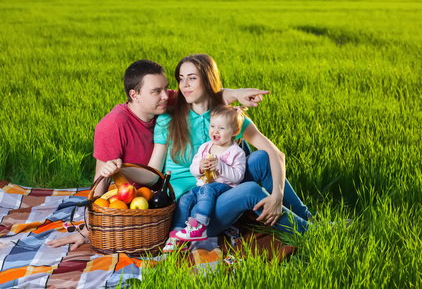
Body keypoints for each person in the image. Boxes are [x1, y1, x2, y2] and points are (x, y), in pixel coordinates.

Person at [46, 59, 269, 251]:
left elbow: (205, 91)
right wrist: (87, 232)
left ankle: (287, 213)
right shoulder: (112, 126)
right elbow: (100, 183)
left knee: (249, 153)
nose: (166, 96)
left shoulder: (163, 105)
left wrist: (237, 94)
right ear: (134, 95)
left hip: (191, 186)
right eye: (156, 91)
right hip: (143, 197)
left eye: (166, 88)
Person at [102, 54, 314, 252]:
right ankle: (314, 234)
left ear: (207, 80)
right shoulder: (168, 120)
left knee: (260, 158)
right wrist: (122, 168)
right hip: (195, 209)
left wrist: (277, 196)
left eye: (192, 78)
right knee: (250, 190)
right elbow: (152, 174)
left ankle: (308, 219)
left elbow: (275, 154)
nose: (184, 85)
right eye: (181, 79)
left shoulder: (225, 118)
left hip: (225, 187)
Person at [175, 105, 248, 241]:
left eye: (221, 128)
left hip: (225, 189)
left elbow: (238, 177)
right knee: (184, 199)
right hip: (202, 188)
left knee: (207, 189)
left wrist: (221, 166)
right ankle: (177, 232)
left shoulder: (236, 152)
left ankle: (200, 225)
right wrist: (200, 168)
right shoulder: (205, 148)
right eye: (213, 126)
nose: (215, 131)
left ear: (235, 131)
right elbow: (193, 169)